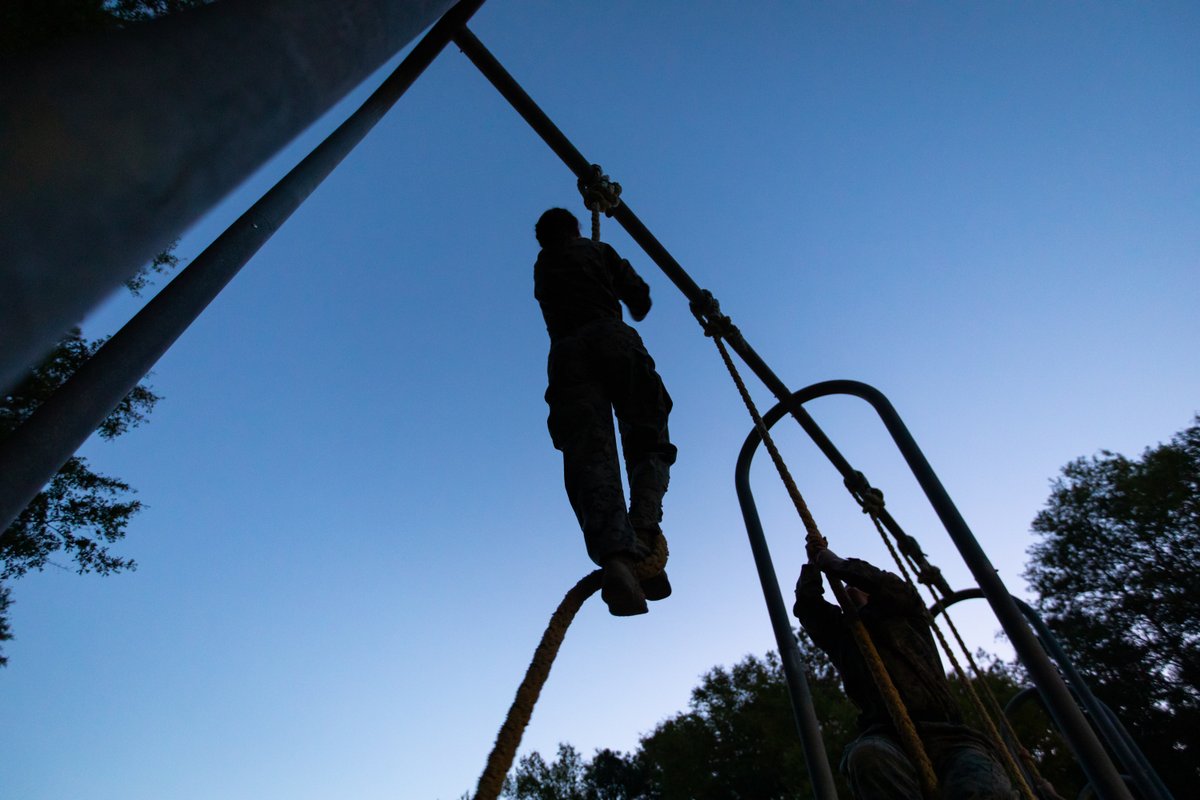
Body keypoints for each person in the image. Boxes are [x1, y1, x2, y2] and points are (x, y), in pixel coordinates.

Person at [533, 208, 677, 617]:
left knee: (588, 451)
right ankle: (645, 530)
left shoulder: (541, 269)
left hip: (564, 355)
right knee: (648, 431)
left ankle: (617, 555)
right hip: (608, 335)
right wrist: (632, 298)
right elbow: (639, 297)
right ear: (575, 228)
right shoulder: (596, 250)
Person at [794, 539, 1017, 800]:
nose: (850, 588)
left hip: (949, 737)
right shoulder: (844, 639)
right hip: (886, 735)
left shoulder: (908, 618)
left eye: (856, 585)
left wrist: (838, 564)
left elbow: (891, 587)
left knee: (981, 787)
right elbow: (809, 607)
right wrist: (812, 565)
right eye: (846, 588)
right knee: (867, 758)